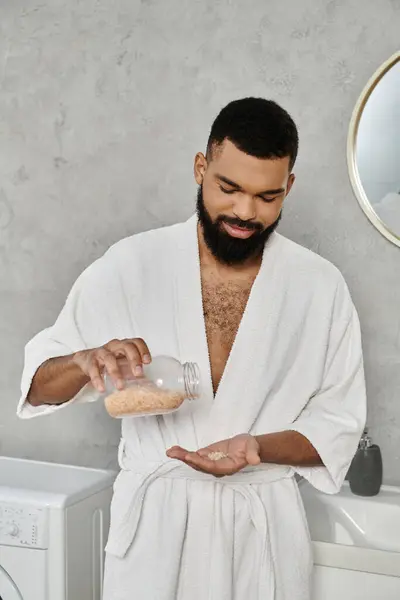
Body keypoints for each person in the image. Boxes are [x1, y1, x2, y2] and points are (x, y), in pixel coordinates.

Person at [18, 97, 366, 600]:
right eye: (230, 188)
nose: (246, 212)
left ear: (289, 186)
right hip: (154, 533)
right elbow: (38, 389)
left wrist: (257, 448)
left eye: (268, 197)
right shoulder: (132, 265)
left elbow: (339, 427)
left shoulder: (320, 287)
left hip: (259, 533)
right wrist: (79, 361)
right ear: (201, 169)